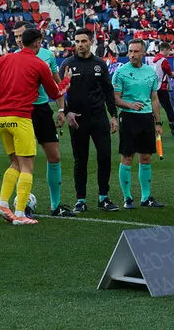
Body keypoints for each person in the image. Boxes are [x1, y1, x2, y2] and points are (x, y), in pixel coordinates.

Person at [0, 27, 63, 225]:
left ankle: (2, 204)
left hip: (2, 119)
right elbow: (54, 92)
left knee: (15, 163)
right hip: (21, 118)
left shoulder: (5, 59)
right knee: (27, 166)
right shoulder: (39, 63)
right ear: (38, 43)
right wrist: (67, 82)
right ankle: (21, 213)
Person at [14, 21, 74, 218]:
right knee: (23, 160)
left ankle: (55, 205)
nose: (18, 40)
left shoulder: (47, 55)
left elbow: (57, 85)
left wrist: (62, 109)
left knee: (54, 155)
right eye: (15, 37)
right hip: (22, 111)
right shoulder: (13, 58)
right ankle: (22, 205)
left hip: (41, 110)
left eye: (21, 35)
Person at [61, 29, 119, 213]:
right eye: (77, 41)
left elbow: (109, 91)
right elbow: (60, 91)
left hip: (99, 117)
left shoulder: (99, 64)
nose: (80, 44)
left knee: (105, 157)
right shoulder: (67, 64)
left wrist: (113, 115)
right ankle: (81, 199)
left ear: (91, 42)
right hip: (77, 119)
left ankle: (103, 197)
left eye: (84, 41)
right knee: (81, 160)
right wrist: (67, 112)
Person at [112, 39, 164, 209]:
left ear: (143, 53)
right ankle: (127, 198)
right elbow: (115, 98)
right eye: (130, 51)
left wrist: (158, 122)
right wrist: (129, 105)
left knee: (146, 157)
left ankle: (146, 197)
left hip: (146, 118)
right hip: (128, 117)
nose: (132, 55)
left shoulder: (150, 72)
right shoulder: (121, 72)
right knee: (127, 157)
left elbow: (154, 98)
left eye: (136, 51)